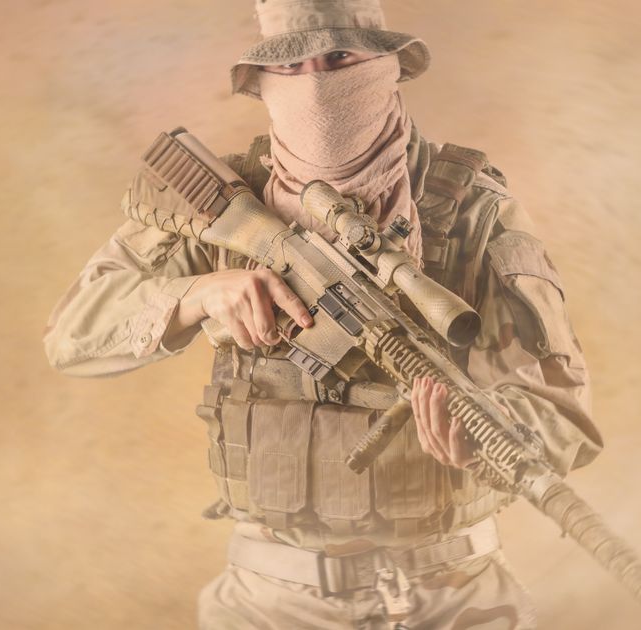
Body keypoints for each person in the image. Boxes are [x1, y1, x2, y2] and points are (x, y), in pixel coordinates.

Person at [43, 1, 603, 627]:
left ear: (389, 65)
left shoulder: (476, 210)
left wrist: (491, 432)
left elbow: (565, 412)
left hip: (452, 593)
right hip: (270, 601)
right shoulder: (221, 204)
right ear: (260, 82)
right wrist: (197, 294)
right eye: (290, 67)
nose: (315, 84)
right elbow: (72, 334)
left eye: (339, 58)